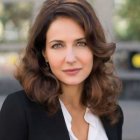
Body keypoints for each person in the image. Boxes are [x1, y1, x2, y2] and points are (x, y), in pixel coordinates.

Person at [0, 0, 123, 140]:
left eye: (81, 43)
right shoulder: (19, 109)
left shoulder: (112, 113)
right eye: (57, 45)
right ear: (44, 53)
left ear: (94, 49)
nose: (70, 58)